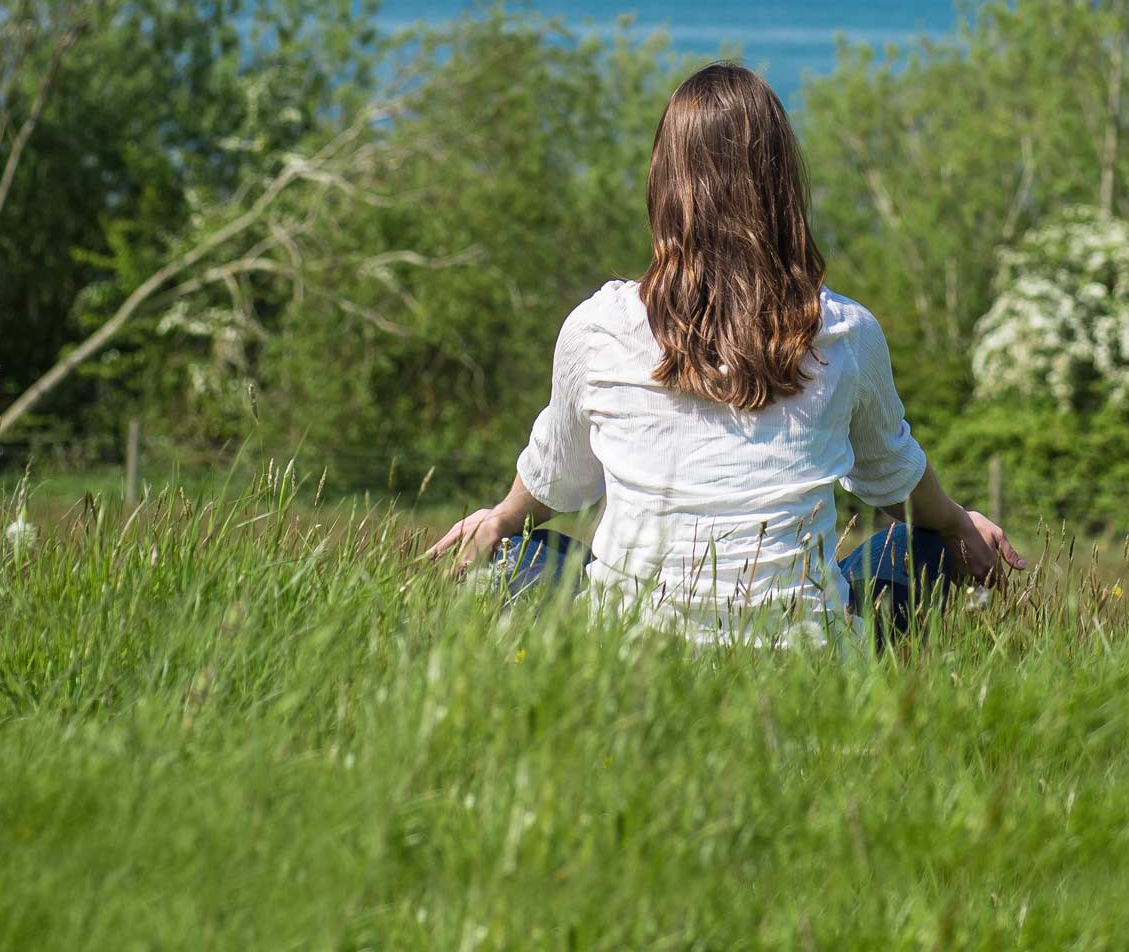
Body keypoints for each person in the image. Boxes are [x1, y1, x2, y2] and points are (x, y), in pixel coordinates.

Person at [426, 62, 1025, 650]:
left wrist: (501, 518)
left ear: (664, 185)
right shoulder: (846, 332)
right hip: (807, 660)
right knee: (919, 543)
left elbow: (556, 481)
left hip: (630, 656)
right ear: (783, 187)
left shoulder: (599, 328)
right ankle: (883, 688)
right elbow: (895, 478)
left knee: (519, 550)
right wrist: (954, 522)